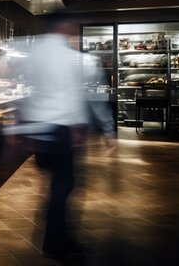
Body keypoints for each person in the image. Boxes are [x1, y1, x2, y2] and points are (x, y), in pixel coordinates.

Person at [18, 14, 116, 259]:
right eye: (72, 26)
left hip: (39, 130)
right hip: (63, 131)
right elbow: (94, 97)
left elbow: (24, 91)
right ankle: (56, 242)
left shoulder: (34, 55)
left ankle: (55, 234)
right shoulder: (76, 59)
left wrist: (17, 127)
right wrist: (108, 128)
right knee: (64, 186)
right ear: (65, 27)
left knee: (54, 185)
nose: (74, 30)